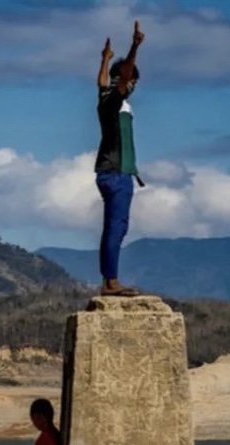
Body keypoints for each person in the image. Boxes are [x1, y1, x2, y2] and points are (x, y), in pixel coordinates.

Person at [94, 21, 145, 297]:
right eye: (132, 81)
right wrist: (135, 46)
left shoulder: (104, 97)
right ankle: (111, 282)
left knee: (112, 228)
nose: (132, 85)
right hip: (117, 174)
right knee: (117, 227)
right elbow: (122, 78)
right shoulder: (115, 100)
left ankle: (109, 279)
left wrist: (104, 60)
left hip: (106, 172)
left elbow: (101, 81)